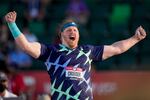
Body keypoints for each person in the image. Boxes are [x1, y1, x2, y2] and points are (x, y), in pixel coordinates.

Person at [5, 11, 146, 100]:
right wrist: (12, 25)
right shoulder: (50, 51)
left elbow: (116, 48)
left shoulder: (87, 51)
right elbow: (26, 46)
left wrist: (135, 38)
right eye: (69, 30)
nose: (73, 32)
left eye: (75, 30)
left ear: (78, 35)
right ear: (61, 35)